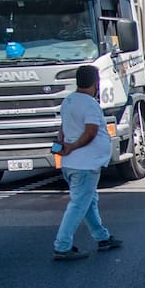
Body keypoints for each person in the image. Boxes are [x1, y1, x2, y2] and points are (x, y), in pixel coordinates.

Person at [53, 65, 121, 261]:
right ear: (95, 83)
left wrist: (64, 146)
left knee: (88, 202)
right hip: (85, 164)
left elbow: (63, 129)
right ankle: (62, 245)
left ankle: (103, 237)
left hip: (71, 163)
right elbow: (90, 132)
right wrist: (73, 147)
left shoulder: (69, 101)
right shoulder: (89, 104)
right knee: (78, 205)